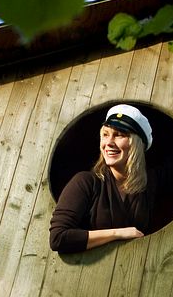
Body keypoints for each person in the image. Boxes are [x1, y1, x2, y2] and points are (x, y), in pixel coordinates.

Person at [49, 104, 155, 253]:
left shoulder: (146, 184)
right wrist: (118, 233)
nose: (109, 143)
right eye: (105, 135)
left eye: (119, 135)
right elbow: (58, 238)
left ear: (137, 144)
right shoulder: (85, 182)